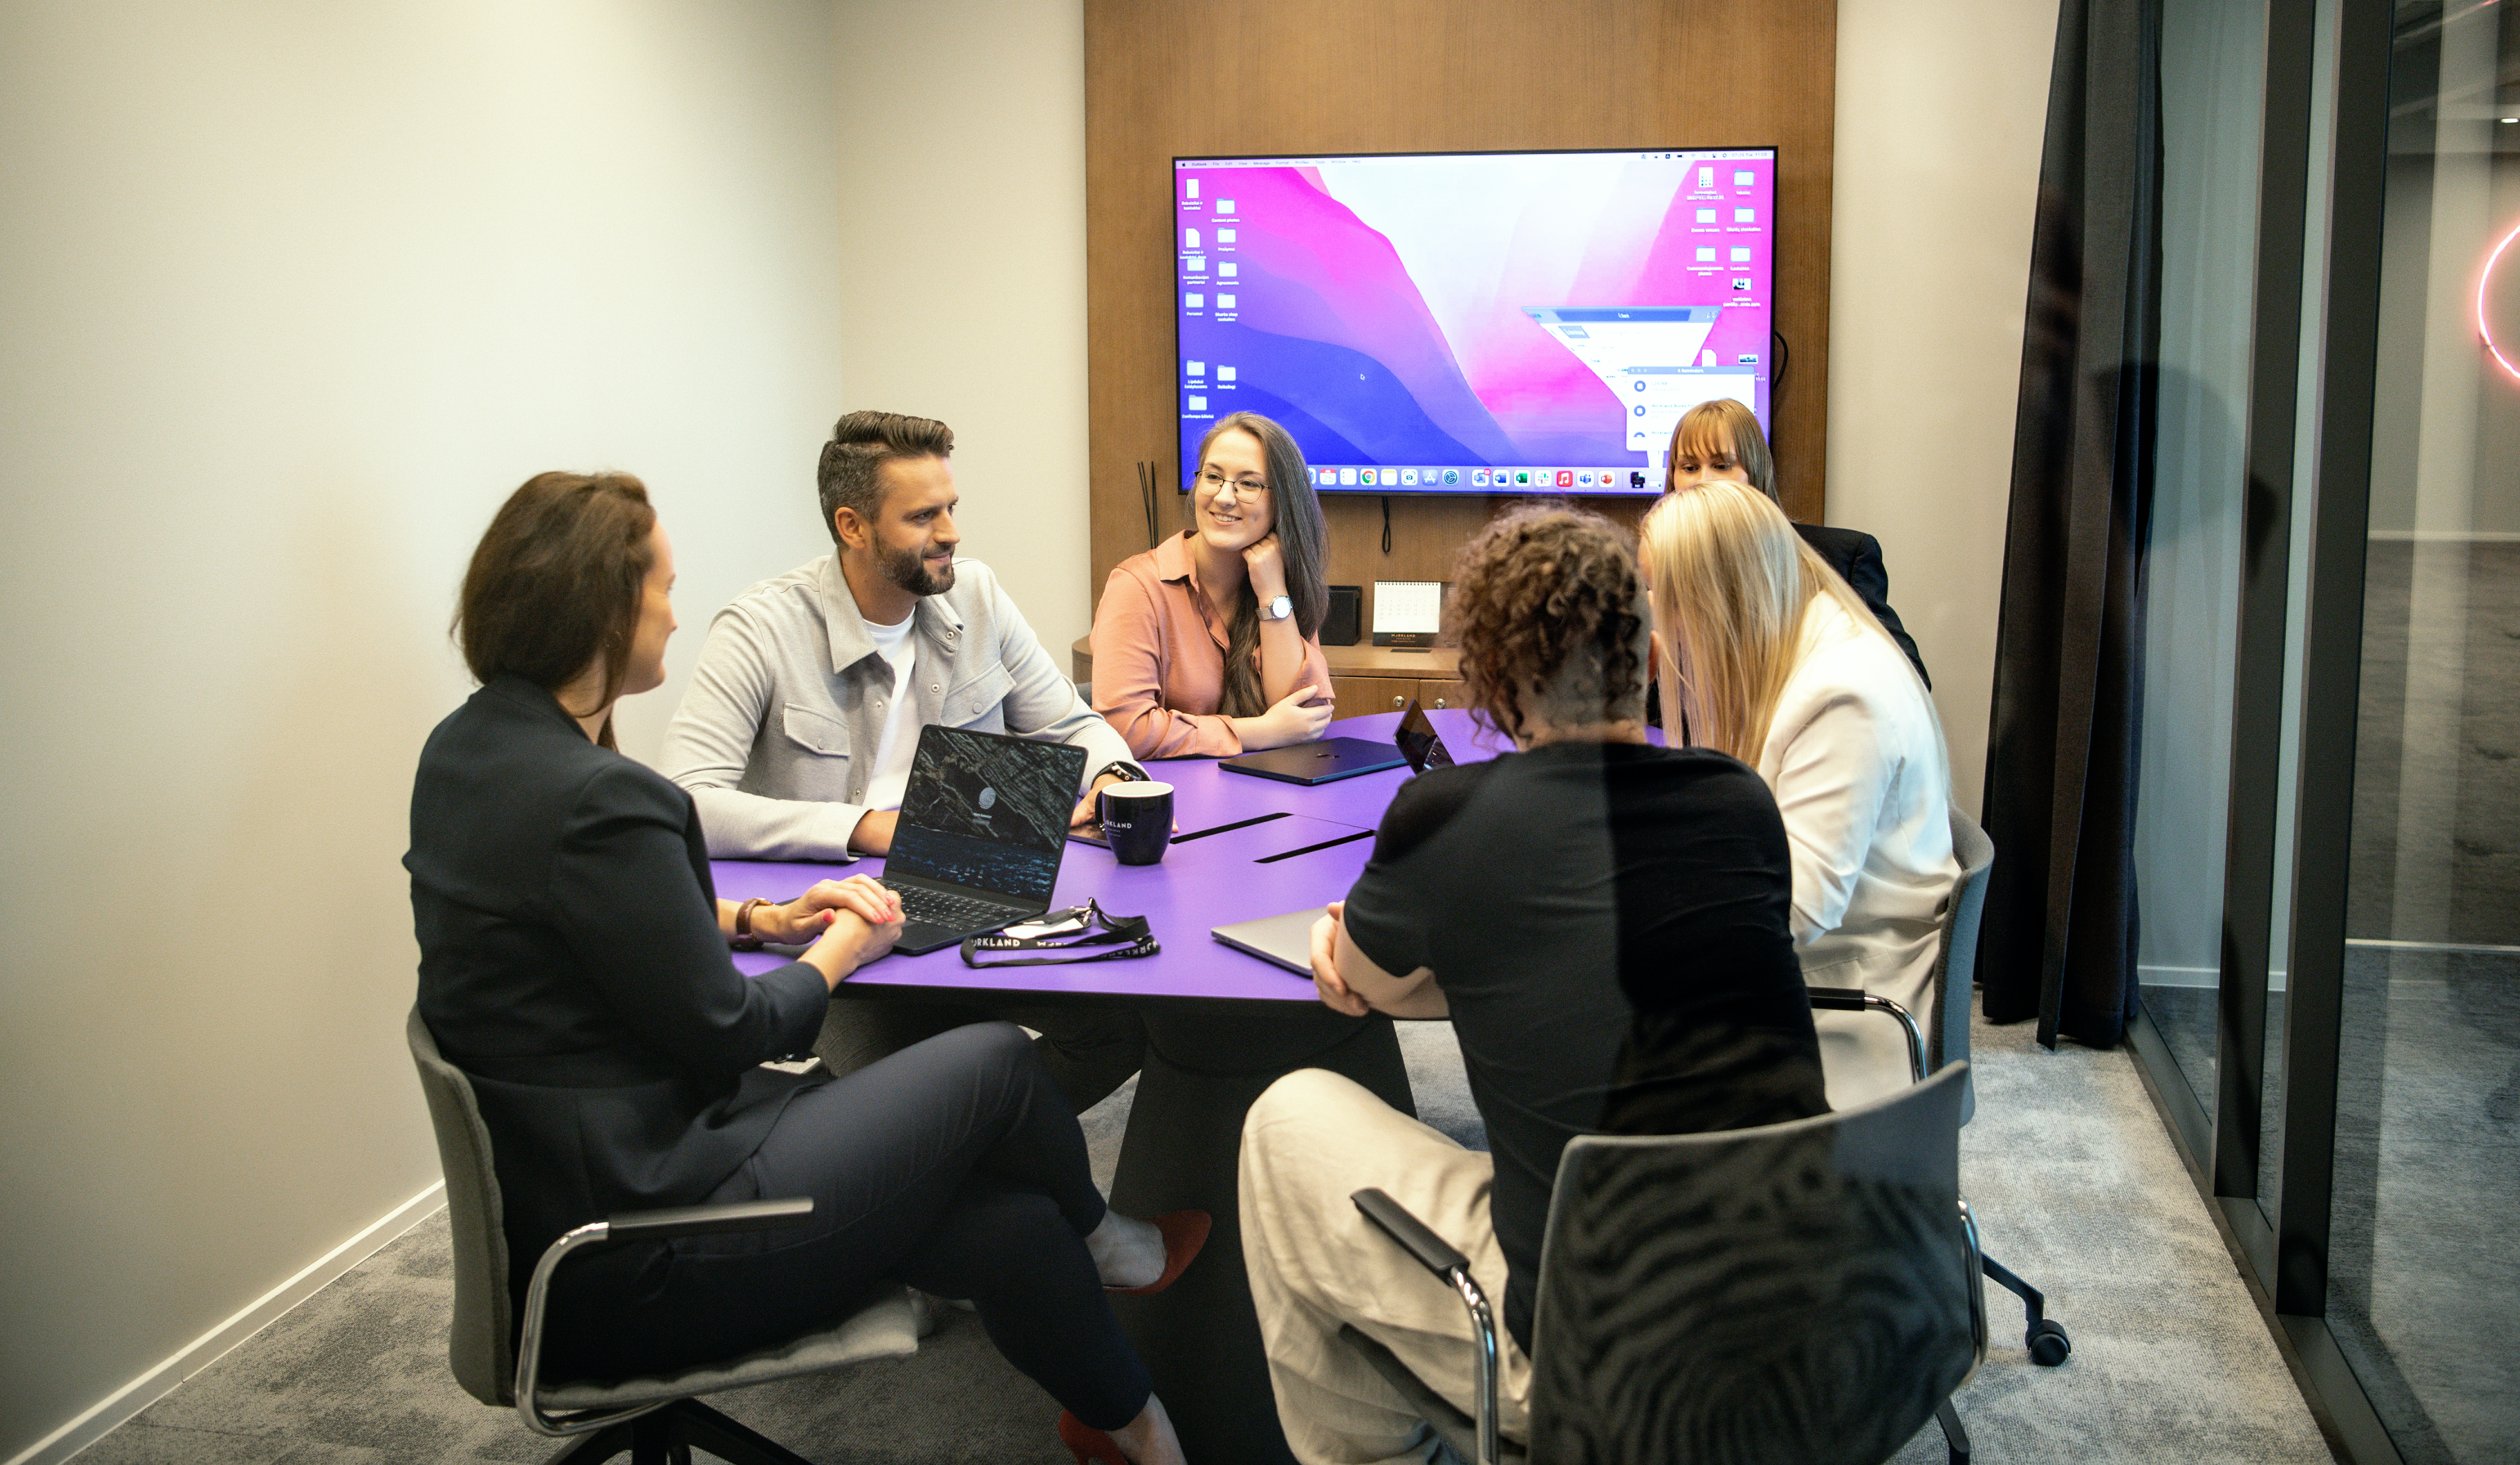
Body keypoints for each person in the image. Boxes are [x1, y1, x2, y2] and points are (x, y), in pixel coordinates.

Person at [407, 472, 1196, 1465]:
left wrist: (752, 913)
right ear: (603, 611)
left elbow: (578, 924)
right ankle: (1109, 1242)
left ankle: (1133, 1429)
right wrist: (838, 946)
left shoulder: (467, 752)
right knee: (993, 1057)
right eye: (659, 588)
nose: (673, 611)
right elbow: (739, 1030)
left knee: (1006, 1224)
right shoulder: (604, 799)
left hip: (584, 1202)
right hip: (646, 1241)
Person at [1236, 506, 1827, 1462]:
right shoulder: (1739, 801)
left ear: (1496, 677)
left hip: (1602, 1367)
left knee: (1286, 1118)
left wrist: (1338, 945)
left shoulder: (1443, 819)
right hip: (1817, 1324)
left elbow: (1361, 983)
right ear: (1644, 654)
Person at [659, 412, 1144, 1109]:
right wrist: (868, 827)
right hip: (843, 938)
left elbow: (1070, 721)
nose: (949, 531)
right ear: (852, 526)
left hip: (979, 898)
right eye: (923, 515)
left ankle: (981, 1179)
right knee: (927, 1097)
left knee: (1123, 1028)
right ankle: (981, 1186)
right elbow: (686, 801)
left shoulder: (976, 594)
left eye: (951, 508)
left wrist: (1111, 779)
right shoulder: (760, 628)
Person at [1639, 478, 1960, 1110]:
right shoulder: (1807, 644)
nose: (1659, 619)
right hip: (1823, 966)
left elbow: (1796, 913)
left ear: (1717, 595)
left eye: (1665, 597)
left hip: (1847, 997)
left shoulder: (1844, 695)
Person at [1091, 411, 1336, 759]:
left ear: (1283, 501)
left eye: (1249, 484)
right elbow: (1126, 730)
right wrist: (1258, 732)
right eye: (1213, 477)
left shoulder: (1279, 580)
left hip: (1264, 791)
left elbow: (1305, 715)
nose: (1224, 497)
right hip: (1171, 801)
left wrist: (1272, 592)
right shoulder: (1137, 588)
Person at [1664, 397, 1930, 687]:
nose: (1705, 481)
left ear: (1755, 473)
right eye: (1689, 468)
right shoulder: (1654, 573)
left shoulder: (1843, 558)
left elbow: (1909, 678)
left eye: (1722, 465)